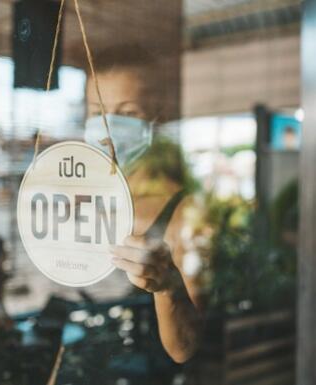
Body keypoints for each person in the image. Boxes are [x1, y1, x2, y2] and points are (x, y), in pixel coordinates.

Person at [82, 44, 203, 364]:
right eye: (97, 112)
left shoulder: (183, 212)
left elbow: (186, 348)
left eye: (127, 113)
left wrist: (167, 288)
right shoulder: (90, 200)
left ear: (157, 118)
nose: (107, 127)